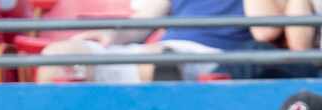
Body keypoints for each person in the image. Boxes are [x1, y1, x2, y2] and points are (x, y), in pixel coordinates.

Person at [36, 0, 254, 83]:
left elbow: (266, 31)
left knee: (160, 59)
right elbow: (145, 20)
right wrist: (113, 35)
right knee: (57, 56)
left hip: (212, 56)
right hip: (157, 51)